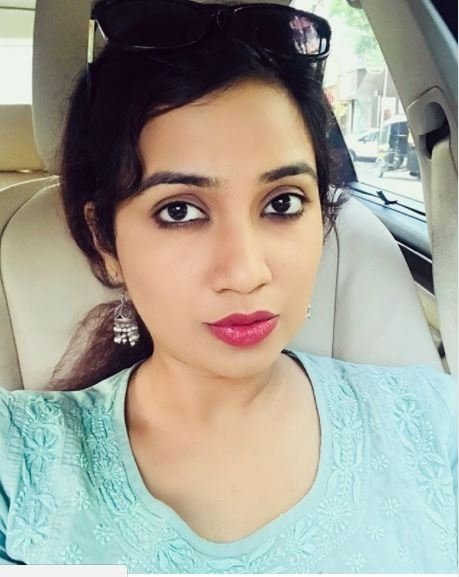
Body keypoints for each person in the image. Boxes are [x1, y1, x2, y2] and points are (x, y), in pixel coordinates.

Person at [0, 0, 457, 573]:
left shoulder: (435, 423)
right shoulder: (19, 462)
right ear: (105, 243)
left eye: (282, 203)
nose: (245, 273)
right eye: (179, 211)